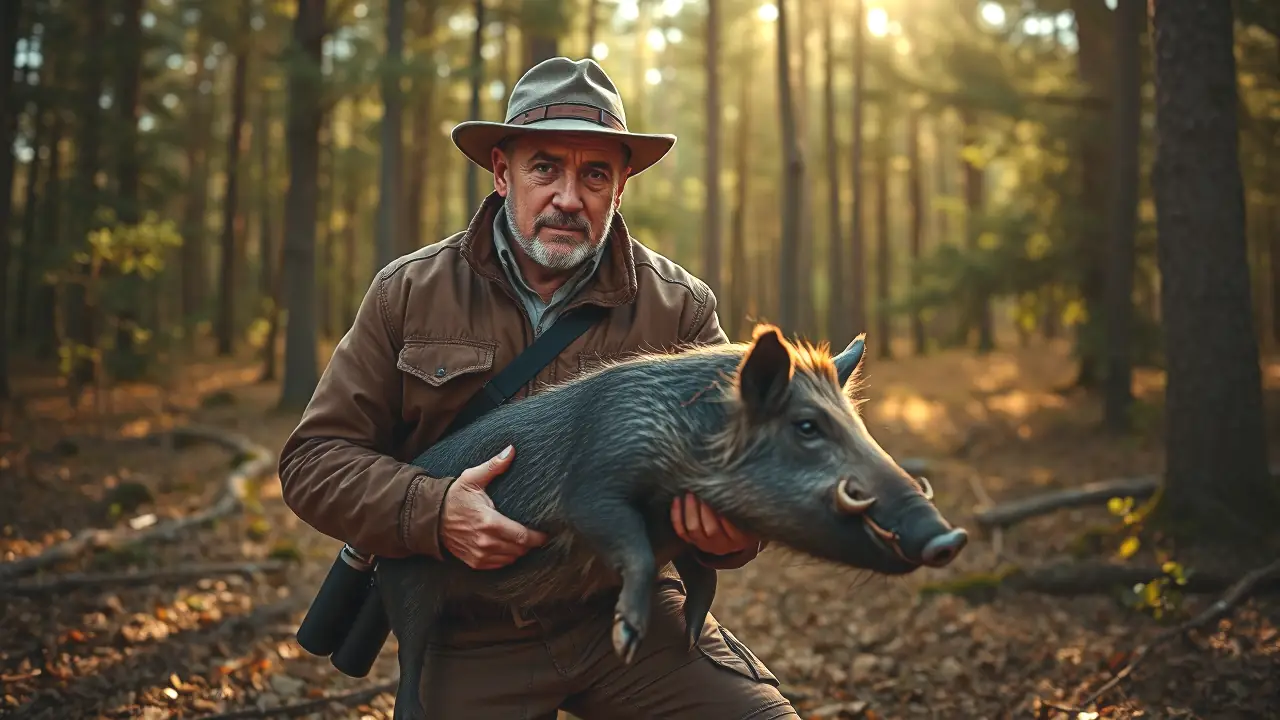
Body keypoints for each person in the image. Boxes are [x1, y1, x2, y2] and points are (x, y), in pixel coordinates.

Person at [278, 56, 799, 720]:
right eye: (545, 167)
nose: (568, 198)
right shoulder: (409, 292)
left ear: (620, 188)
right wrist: (435, 513)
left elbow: (744, 473)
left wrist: (730, 535)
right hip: (471, 626)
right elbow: (314, 460)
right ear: (502, 173)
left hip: (627, 615)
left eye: (595, 175)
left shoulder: (679, 310)